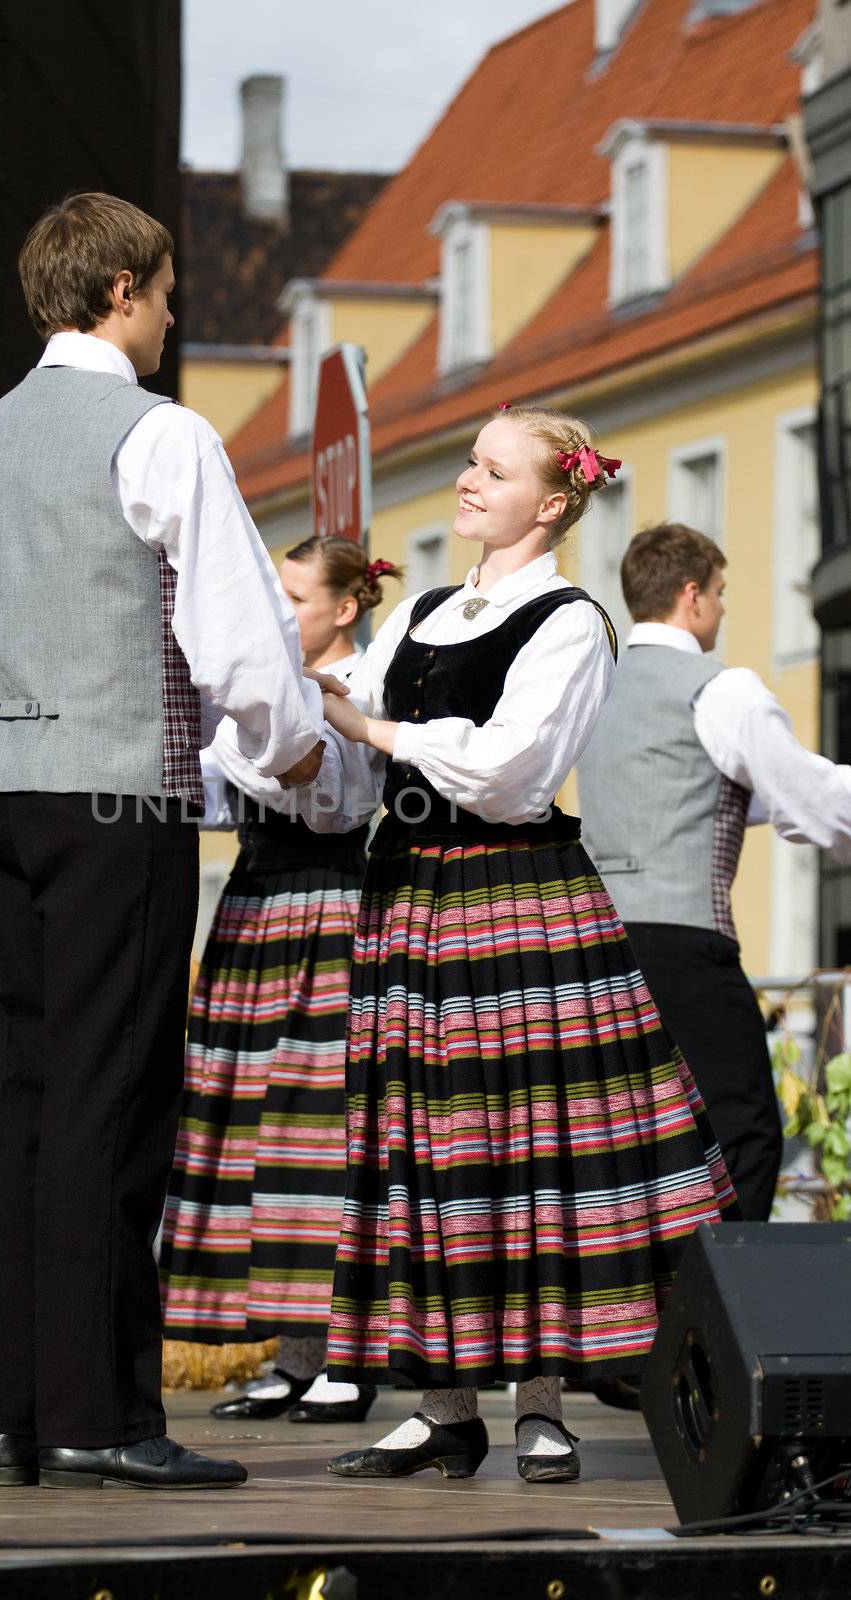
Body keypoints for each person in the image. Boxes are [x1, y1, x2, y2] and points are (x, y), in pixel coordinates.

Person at [0, 192, 330, 1493]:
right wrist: (300, 757)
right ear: (121, 288)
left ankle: (9, 1403)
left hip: (6, 798)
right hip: (122, 801)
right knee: (114, 1110)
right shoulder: (158, 433)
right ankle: (101, 1411)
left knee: (24, 1102)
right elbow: (239, 640)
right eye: (167, 291)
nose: (173, 313)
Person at [309, 406, 736, 1485]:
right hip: (406, 892)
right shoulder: (418, 611)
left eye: (490, 472)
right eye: (468, 463)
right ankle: (444, 1408)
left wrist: (375, 732)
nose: (465, 482)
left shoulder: (567, 622)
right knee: (423, 1143)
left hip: (514, 892)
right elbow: (346, 756)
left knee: (523, 1143)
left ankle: (540, 1403)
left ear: (549, 502)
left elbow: (507, 770)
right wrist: (304, 724)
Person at [161, 537, 401, 1424]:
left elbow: (334, 798)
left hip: (330, 908)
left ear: (345, 607)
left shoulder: (363, 686)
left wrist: (266, 730)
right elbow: (215, 790)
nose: (276, 614)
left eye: (294, 599)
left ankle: (348, 1355)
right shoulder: (269, 688)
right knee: (259, 1134)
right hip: (254, 910)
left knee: (322, 1134)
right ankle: (293, 1353)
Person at [577, 522, 851, 1223]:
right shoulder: (718, 689)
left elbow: (695, 794)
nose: (724, 609)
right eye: (721, 593)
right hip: (683, 945)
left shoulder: (595, 693)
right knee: (745, 1134)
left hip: (595, 946)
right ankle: (712, 1318)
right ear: (691, 595)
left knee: (630, 1144)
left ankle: (643, 1314)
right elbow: (805, 795)